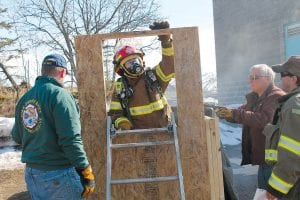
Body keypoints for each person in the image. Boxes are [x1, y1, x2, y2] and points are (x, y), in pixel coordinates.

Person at [11, 54, 95, 199]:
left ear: (43, 71)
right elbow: (70, 140)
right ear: (62, 72)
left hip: (32, 174)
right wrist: (85, 169)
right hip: (58, 175)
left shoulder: (25, 99)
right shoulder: (60, 95)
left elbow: (16, 136)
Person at [215, 64, 286, 191]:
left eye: (255, 77)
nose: (250, 81)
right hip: (265, 160)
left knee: (270, 194)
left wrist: (234, 114)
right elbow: (242, 113)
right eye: (250, 77)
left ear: (268, 79)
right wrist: (224, 112)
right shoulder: (256, 98)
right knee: (264, 193)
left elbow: (263, 119)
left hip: (275, 162)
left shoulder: (276, 96)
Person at [108, 21, 174, 129]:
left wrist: (166, 42)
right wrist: (122, 124)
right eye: (129, 63)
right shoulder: (121, 87)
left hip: (165, 134)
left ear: (142, 62)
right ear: (122, 69)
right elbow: (115, 114)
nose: (134, 65)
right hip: (138, 138)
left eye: (136, 61)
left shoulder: (153, 76)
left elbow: (169, 66)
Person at [263, 55, 300, 200]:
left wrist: (276, 188)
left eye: (283, 74)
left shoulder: (294, 105)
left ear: (294, 79)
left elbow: (293, 151)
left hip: (295, 185)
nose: (280, 78)